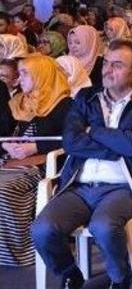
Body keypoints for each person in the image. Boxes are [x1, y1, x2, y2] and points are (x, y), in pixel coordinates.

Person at [31, 40, 132, 289]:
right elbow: (71, 142)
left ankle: (119, 278)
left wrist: (92, 129)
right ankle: (70, 272)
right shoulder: (85, 97)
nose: (107, 70)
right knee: (42, 229)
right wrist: (119, 144)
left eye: (117, 65)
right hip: (78, 184)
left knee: (103, 226)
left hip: (121, 186)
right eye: (106, 63)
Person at [0, 55, 72, 267]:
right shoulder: (17, 102)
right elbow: (5, 132)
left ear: (42, 75)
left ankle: (19, 251)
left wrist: (35, 147)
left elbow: (71, 139)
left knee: (3, 190)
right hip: (9, 161)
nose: (19, 78)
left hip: (41, 166)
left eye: (25, 73)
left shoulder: (63, 104)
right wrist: (5, 145)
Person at [67, 24, 104, 89]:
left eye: (77, 42)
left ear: (89, 42)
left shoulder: (100, 64)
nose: (73, 46)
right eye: (70, 42)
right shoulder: (67, 61)